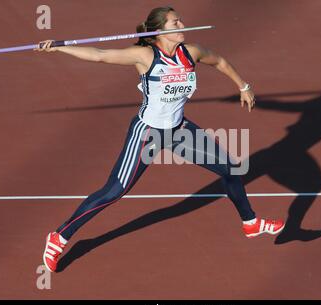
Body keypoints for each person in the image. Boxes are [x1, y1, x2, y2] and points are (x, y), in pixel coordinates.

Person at [36, 6, 285, 272]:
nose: (183, 23)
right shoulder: (145, 55)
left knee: (231, 168)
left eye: (180, 19)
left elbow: (220, 61)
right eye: (175, 21)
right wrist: (59, 46)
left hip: (179, 130)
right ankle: (59, 236)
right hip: (148, 134)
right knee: (114, 191)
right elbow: (100, 55)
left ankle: (250, 223)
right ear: (159, 31)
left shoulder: (192, 52)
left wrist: (243, 86)